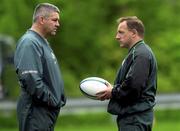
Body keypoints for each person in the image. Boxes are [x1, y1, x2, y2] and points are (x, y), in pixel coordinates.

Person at [96, 16, 157, 131]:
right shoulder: (136, 52)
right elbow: (132, 84)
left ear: (133, 33)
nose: (117, 37)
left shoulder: (141, 54)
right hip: (134, 117)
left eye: (121, 32)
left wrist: (113, 91)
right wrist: (115, 89)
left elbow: (134, 87)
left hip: (135, 118)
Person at [14, 3, 66, 131]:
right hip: (35, 112)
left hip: (44, 112)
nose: (58, 24)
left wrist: (59, 97)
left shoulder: (41, 41)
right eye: (54, 20)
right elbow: (30, 78)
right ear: (42, 19)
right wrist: (52, 100)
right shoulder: (29, 42)